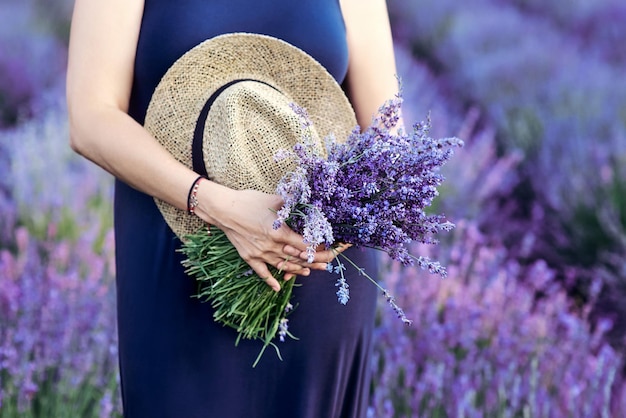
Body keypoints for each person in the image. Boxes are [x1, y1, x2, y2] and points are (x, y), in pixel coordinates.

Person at [66, 0, 399, 417]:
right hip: (182, 263)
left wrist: (322, 228)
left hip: (315, 270)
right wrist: (219, 205)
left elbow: (388, 135)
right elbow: (90, 117)